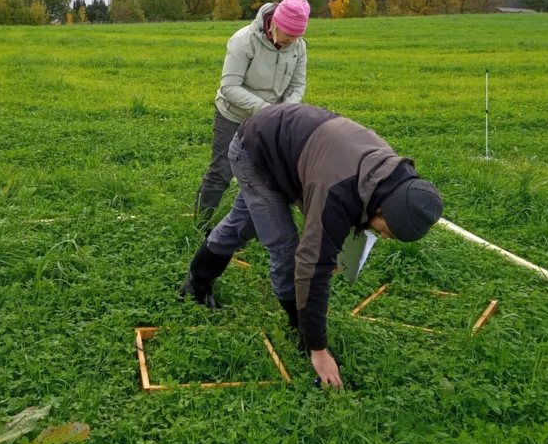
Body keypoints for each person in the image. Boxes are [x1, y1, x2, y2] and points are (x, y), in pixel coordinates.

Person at [179, 104, 444, 387]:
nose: (386, 237)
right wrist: (317, 346)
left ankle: (197, 282)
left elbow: (349, 216)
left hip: (285, 148)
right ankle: (297, 327)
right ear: (380, 209)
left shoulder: (387, 177)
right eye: (387, 231)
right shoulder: (337, 190)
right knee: (284, 246)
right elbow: (311, 265)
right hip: (254, 151)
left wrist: (335, 252)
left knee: (243, 223)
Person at [194, 0, 310, 230]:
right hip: (233, 115)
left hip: (271, 122)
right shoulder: (243, 41)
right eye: (288, 35)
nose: (292, 41)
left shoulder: (298, 46)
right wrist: (266, 110)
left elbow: (298, 85)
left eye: (297, 36)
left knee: (264, 176)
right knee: (221, 172)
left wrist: (284, 111)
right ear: (275, 24)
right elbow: (229, 86)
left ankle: (251, 229)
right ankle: (200, 223)